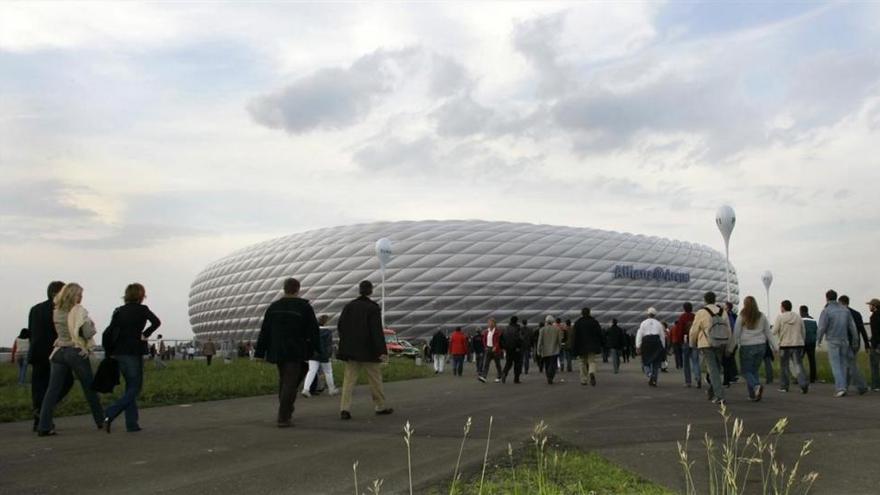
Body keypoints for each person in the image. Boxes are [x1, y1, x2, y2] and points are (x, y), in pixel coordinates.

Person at [37, 283, 104, 436]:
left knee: (52, 390)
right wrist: (92, 325)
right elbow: (87, 333)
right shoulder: (78, 311)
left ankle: (44, 425)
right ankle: (101, 420)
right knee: (89, 388)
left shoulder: (56, 311)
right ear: (74, 295)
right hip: (75, 351)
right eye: (80, 294)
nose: (81, 297)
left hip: (59, 351)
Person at [254, 278, 320, 427]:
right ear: (298, 289)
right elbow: (313, 330)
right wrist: (317, 349)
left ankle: (287, 410)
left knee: (285, 380)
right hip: (295, 349)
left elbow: (265, 331)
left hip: (277, 350)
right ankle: (283, 416)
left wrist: (259, 352)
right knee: (290, 382)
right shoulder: (304, 307)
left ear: (284, 289)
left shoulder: (274, 307)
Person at [102, 283, 161, 433]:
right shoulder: (142, 310)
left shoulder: (118, 311)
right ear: (141, 295)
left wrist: (109, 351)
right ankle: (111, 411)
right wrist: (145, 334)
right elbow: (156, 322)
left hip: (119, 352)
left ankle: (132, 424)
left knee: (130, 386)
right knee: (135, 387)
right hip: (134, 351)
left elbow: (110, 331)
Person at [336, 280, 392, 420]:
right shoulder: (372, 308)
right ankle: (380, 406)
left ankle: (345, 409)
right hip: (369, 352)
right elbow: (376, 331)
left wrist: (345, 344)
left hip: (351, 351)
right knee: (375, 380)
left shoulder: (349, 306)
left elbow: (341, 326)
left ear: (359, 290)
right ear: (371, 291)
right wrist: (382, 351)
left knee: (349, 380)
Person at [27, 281, 74, 432]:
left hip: (36, 353)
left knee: (39, 386)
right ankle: (44, 412)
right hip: (54, 353)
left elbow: (31, 332)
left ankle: (38, 419)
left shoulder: (35, 309)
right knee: (65, 382)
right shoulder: (61, 310)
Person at [818, 289, 867, 397]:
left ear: (826, 298)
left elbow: (821, 327)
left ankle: (841, 388)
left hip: (832, 341)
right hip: (845, 341)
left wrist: (819, 339)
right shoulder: (845, 310)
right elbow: (852, 327)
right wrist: (855, 340)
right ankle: (862, 385)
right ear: (836, 297)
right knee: (850, 363)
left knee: (836, 365)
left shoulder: (826, 311)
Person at [690, 291, 732, 405]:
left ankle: (720, 396)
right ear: (715, 299)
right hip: (721, 343)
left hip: (706, 343)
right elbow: (728, 329)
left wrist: (692, 343)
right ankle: (712, 391)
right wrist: (729, 345)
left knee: (713, 370)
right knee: (716, 369)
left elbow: (694, 330)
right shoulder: (723, 311)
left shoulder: (701, 312)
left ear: (705, 300)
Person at [734, 296, 774, 401]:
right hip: (761, 345)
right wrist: (775, 346)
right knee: (753, 370)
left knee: (745, 371)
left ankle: (756, 386)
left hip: (747, 346)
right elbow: (768, 332)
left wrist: (731, 347)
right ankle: (753, 395)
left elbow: (736, 333)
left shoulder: (742, 316)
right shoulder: (762, 316)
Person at [773, 300, 809, 394]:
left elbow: (774, 331)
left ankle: (784, 386)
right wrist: (802, 340)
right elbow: (803, 330)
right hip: (797, 343)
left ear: (783, 307)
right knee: (798, 365)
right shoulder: (798, 317)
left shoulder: (780, 317)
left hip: (785, 344)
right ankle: (803, 384)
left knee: (784, 366)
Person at [302, 314, 339, 398]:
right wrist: (329, 355)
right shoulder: (328, 332)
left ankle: (306, 389)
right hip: (324, 356)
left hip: (313, 355)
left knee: (311, 371)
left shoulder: (312, 331)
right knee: (328, 372)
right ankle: (331, 389)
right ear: (325, 322)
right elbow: (328, 345)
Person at [571, 308, 603, 386]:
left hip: (581, 346)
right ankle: (591, 372)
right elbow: (599, 334)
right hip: (592, 346)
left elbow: (575, 336)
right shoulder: (594, 322)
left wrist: (574, 347)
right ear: (589, 313)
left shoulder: (578, 323)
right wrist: (601, 343)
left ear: (581, 313)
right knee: (591, 361)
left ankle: (583, 380)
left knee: (582, 362)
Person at [635, 308, 666, 387]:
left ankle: (649, 374)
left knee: (645, 361)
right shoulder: (658, 323)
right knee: (656, 362)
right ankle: (654, 380)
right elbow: (662, 336)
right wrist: (663, 346)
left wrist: (638, 346)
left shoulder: (643, 323)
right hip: (656, 341)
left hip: (646, 342)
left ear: (647, 314)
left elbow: (640, 334)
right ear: (655, 315)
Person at [675, 303, 700, 388]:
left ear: (684, 308)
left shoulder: (682, 317)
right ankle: (698, 378)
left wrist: (679, 341)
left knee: (686, 363)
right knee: (695, 361)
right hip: (695, 341)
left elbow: (680, 330)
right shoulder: (695, 316)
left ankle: (688, 382)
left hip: (685, 341)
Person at [536, 315, 562, 384]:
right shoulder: (557, 329)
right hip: (554, 350)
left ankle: (548, 376)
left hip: (545, 351)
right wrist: (560, 347)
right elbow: (559, 340)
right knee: (553, 364)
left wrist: (538, 350)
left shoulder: (542, 330)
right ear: (552, 321)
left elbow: (540, 341)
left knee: (547, 365)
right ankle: (551, 376)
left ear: (546, 321)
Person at [478, 318, 504, 383]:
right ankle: (484, 377)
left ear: (494, 324)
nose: (489, 324)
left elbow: (498, 341)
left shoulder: (497, 332)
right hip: (488, 348)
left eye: (491, 323)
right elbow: (484, 340)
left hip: (495, 349)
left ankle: (499, 376)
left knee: (497, 364)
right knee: (486, 363)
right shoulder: (486, 331)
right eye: (489, 323)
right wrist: (485, 347)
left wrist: (495, 347)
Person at [500, 316, 524, 384]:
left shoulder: (506, 328)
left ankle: (504, 373)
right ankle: (516, 379)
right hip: (516, 349)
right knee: (517, 364)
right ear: (516, 321)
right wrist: (519, 346)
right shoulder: (518, 328)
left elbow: (501, 338)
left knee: (508, 363)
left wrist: (504, 347)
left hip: (508, 349)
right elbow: (520, 338)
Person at [800, 305, 818, 383]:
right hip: (812, 342)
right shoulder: (813, 320)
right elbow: (816, 330)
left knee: (799, 360)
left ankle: (800, 377)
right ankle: (813, 378)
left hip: (803, 342)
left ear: (801, 311)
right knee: (812, 360)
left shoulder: (800, 320)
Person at [723, 301, 740, 386]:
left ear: (727, 307)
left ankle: (732, 376)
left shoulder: (727, 316)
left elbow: (730, 328)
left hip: (730, 339)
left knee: (729, 359)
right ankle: (734, 375)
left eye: (725, 306)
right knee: (731, 358)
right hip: (734, 339)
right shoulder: (734, 316)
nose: (723, 307)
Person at [867, 298, 880, 391]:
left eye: (870, 305)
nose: (869, 306)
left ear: (874, 306)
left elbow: (876, 332)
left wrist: (875, 345)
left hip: (876, 344)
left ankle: (875, 385)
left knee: (874, 365)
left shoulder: (874, 317)